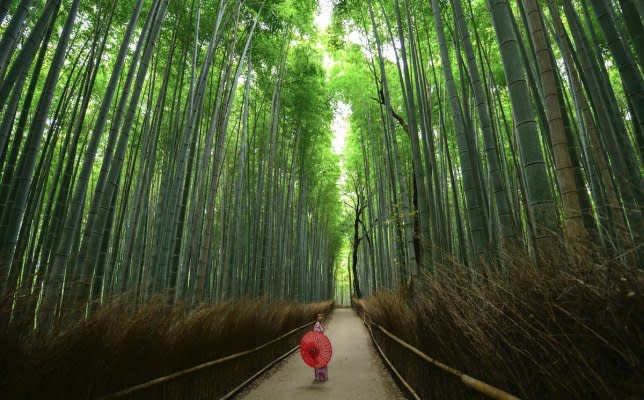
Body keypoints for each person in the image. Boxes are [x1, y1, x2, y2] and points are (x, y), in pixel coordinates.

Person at [313, 313, 328, 382]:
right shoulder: (317, 325)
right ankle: (319, 376)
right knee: (318, 359)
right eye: (319, 316)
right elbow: (316, 334)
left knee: (322, 359)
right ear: (317, 317)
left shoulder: (321, 324)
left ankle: (323, 376)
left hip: (321, 343)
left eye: (321, 316)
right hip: (318, 344)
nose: (320, 317)